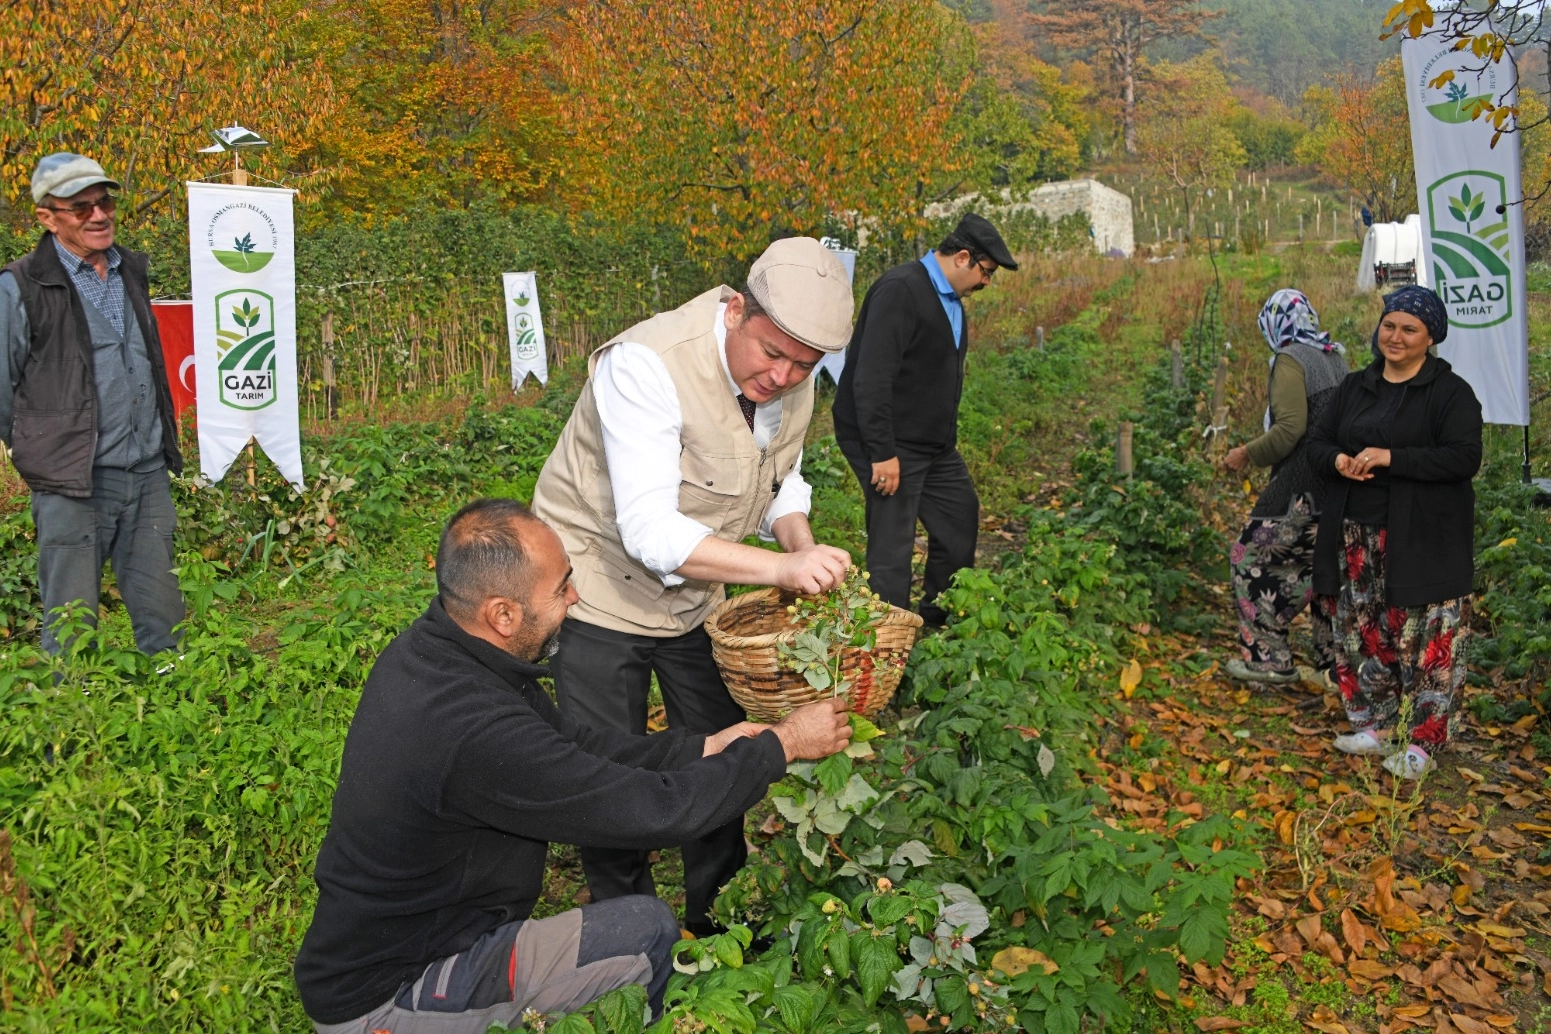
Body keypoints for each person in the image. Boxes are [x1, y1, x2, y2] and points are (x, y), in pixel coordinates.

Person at [293, 499, 853, 1032]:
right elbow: (652, 812)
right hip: (391, 995)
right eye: (561, 588)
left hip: (428, 935)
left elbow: (576, 746)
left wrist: (704, 746)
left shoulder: (440, 653)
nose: (576, 598)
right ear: (504, 614)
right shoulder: (475, 733)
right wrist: (780, 746)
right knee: (645, 933)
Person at [531, 237, 855, 935]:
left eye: (805, 365)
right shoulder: (647, 365)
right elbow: (649, 531)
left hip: (693, 597)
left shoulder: (788, 382)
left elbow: (778, 474)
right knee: (606, 766)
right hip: (595, 588)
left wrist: (797, 538)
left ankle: (719, 918)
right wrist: (778, 570)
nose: (784, 376)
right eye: (773, 353)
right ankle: (624, 930)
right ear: (737, 309)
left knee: (725, 747)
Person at [0, 152, 184, 655]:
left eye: (103, 202)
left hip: (145, 472)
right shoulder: (20, 287)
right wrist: (40, 454)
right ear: (47, 217)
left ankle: (172, 705)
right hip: (72, 481)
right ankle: (72, 717)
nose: (99, 215)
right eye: (80, 208)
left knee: (163, 608)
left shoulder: (130, 271)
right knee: (71, 617)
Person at [1306, 286, 1482, 780]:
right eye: (1389, 325)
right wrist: (1338, 459)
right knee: (1369, 632)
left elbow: (1465, 457)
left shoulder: (1450, 393)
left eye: (1410, 329)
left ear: (1431, 338)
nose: (1396, 337)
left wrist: (1392, 458)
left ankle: (1423, 742)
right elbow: (1318, 441)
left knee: (1430, 639)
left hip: (1425, 536)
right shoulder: (1357, 387)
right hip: (1359, 535)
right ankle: (1380, 723)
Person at [830, 213, 1017, 626]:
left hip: (934, 446)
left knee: (959, 520)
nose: (987, 284)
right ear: (963, 257)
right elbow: (871, 378)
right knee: (892, 547)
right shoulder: (902, 290)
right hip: (889, 443)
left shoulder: (952, 301)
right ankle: (888, 650)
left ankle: (936, 623)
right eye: (986, 273)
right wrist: (882, 452)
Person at [1223, 289, 1350, 685]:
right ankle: (1336, 669)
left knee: (1248, 559)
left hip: (1302, 485)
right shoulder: (1336, 357)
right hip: (1339, 485)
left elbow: (1290, 429)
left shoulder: (1290, 359)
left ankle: (1269, 660)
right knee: (1325, 570)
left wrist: (1246, 452)